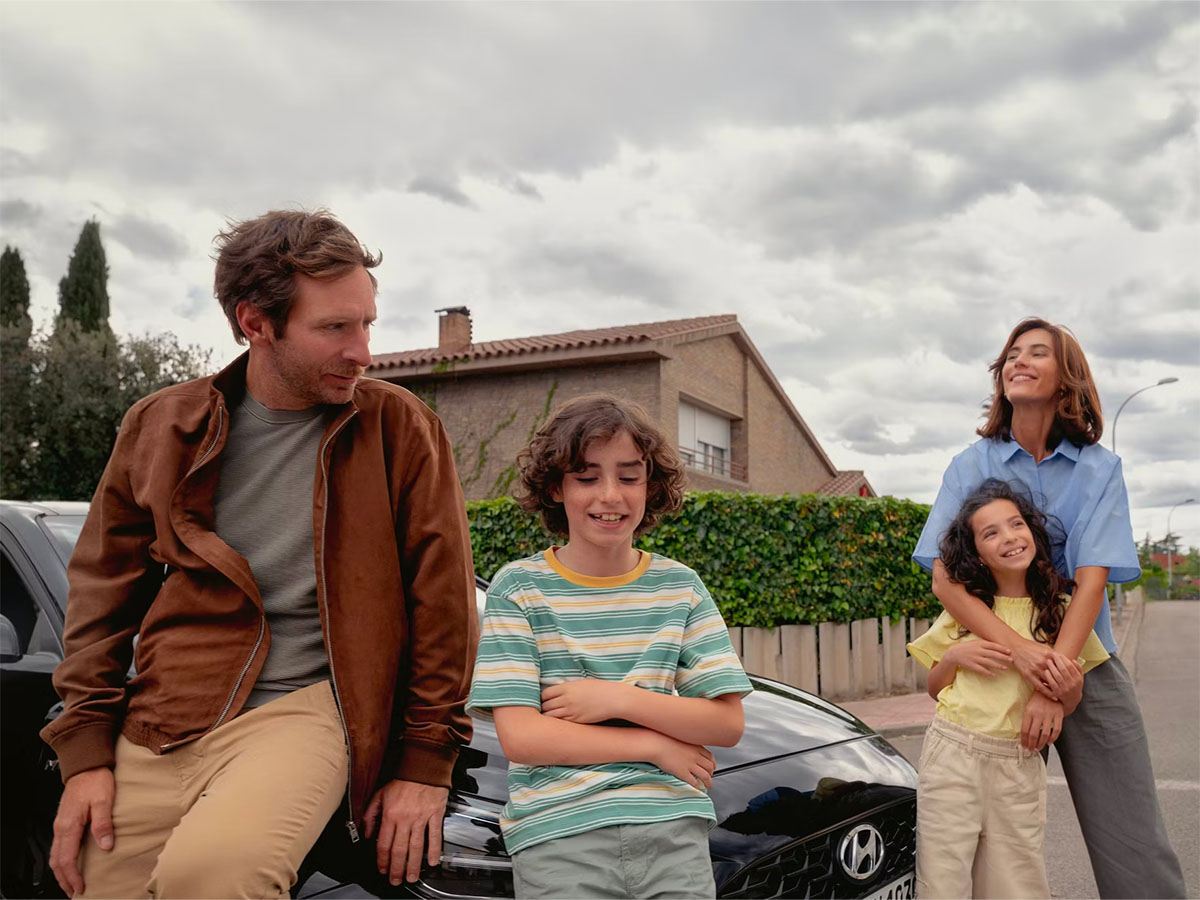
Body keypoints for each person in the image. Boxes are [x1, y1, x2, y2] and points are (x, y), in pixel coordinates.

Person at [40, 209, 478, 899]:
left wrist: (426, 763)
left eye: (367, 322)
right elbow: (102, 592)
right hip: (165, 715)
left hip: (304, 711)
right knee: (97, 882)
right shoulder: (160, 426)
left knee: (214, 877)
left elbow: (445, 604)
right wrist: (86, 753)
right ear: (256, 323)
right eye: (335, 328)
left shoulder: (399, 429)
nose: (363, 351)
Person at [912, 317, 1185, 898]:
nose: (1018, 361)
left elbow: (1090, 584)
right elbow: (945, 579)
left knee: (1134, 842)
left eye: (1037, 353)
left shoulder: (1100, 469)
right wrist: (1024, 656)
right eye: (1011, 354)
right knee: (986, 854)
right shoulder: (971, 464)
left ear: (1068, 380)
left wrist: (1053, 681)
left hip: (1084, 661)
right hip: (992, 658)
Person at [467, 395, 752, 899]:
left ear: (651, 485)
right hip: (558, 836)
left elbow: (726, 723)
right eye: (587, 477)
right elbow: (523, 738)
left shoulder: (680, 586)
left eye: (628, 476)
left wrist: (617, 700)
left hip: (671, 831)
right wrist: (652, 744)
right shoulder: (519, 588)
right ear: (555, 487)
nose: (610, 495)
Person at [909, 478, 1109, 898]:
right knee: (941, 879)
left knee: (1016, 881)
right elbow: (934, 688)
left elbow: (1069, 701)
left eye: (1015, 524)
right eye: (990, 532)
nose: (1009, 537)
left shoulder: (1061, 614)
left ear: (1032, 532)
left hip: (1017, 763)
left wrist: (1065, 692)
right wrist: (953, 658)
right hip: (953, 754)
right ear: (976, 553)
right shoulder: (966, 611)